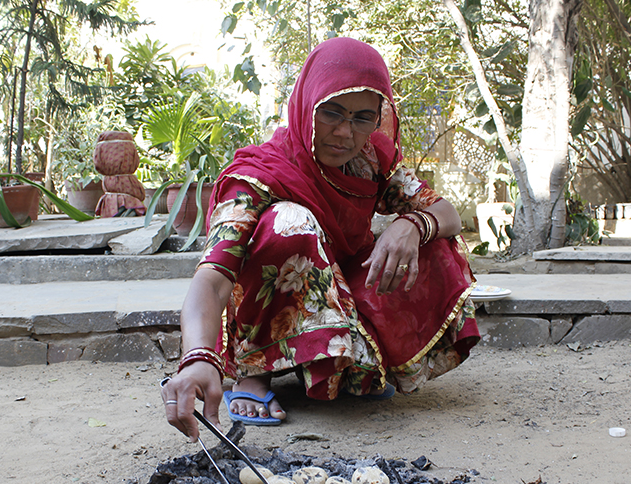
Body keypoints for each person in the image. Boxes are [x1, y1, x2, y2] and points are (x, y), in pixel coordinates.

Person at [162, 37, 480, 442]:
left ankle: (345, 361)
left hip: (340, 290)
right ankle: (256, 369)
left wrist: (412, 225)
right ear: (307, 103)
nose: (345, 133)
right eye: (332, 112)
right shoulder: (258, 175)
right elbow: (213, 277)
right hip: (269, 306)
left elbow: (445, 213)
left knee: (431, 238)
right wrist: (197, 357)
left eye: (363, 118)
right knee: (290, 221)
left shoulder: (371, 161)